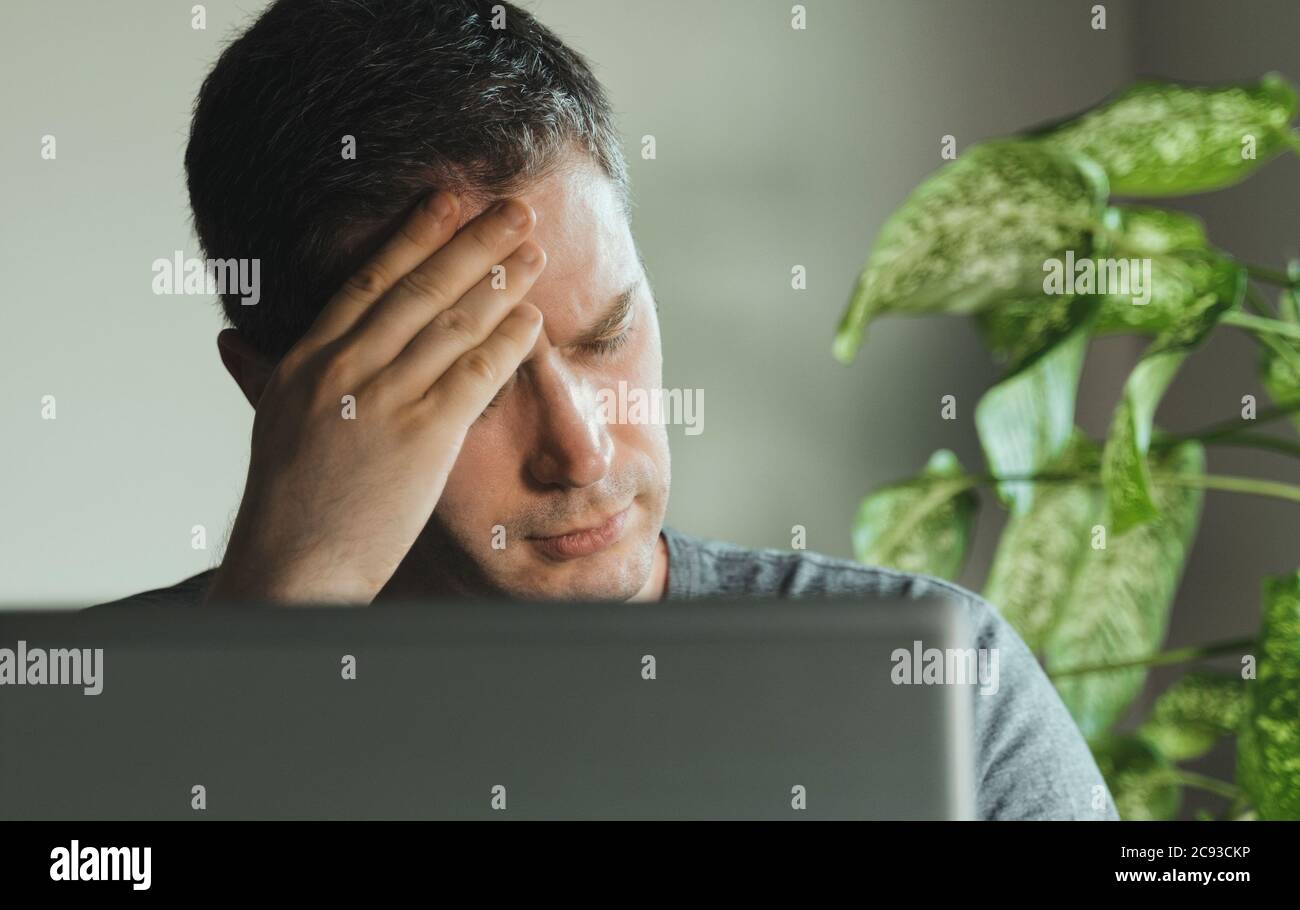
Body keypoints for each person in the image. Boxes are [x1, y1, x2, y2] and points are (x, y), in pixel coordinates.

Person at [95, 0, 1118, 820]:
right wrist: (287, 609)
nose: (581, 451)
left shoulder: (935, 681)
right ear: (279, 393)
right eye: (475, 384)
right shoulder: (78, 715)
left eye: (608, 333)